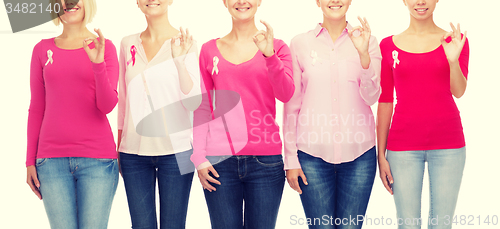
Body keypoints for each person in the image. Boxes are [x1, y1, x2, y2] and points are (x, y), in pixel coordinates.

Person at [191, 0, 295, 228]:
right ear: (225, 2)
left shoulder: (277, 47)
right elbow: (203, 106)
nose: (241, 1)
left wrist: (270, 57)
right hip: (219, 162)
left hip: (266, 162)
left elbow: (286, 94)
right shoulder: (209, 50)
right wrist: (198, 157)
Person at [283, 0, 380, 228]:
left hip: (360, 156)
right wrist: (290, 159)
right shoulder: (300, 44)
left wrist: (364, 56)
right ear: (318, 1)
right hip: (311, 156)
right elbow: (291, 105)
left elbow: (372, 97)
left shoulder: (369, 41)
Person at [25, 0, 119, 228]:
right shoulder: (41, 49)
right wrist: (30, 160)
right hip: (51, 163)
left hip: (98, 161)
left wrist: (97, 64)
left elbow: (107, 106)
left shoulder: (105, 48)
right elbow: (37, 106)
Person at [377, 0, 469, 228]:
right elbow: (385, 100)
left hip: (449, 146)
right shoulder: (388, 45)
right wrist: (381, 154)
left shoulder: (454, 41)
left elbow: (459, 91)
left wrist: (453, 60)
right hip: (402, 148)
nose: (420, 2)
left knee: (441, 225)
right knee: (407, 224)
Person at [117, 0, 201, 228]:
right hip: (133, 154)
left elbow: (193, 103)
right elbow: (123, 101)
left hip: (177, 153)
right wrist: (120, 146)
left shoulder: (187, 44)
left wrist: (179, 62)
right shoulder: (127, 44)